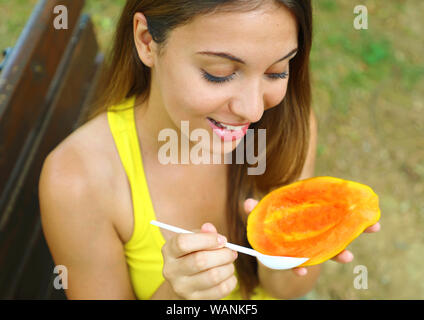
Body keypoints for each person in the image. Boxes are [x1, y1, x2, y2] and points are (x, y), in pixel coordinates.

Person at [38, 0, 380, 300]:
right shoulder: (78, 180)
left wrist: (289, 256)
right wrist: (176, 294)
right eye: (219, 74)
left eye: (277, 71)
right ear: (146, 41)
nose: (253, 111)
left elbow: (285, 291)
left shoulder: (289, 123)